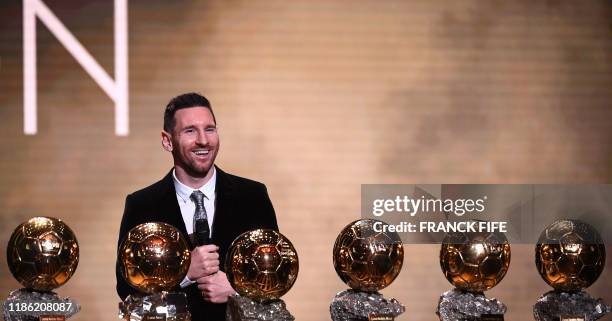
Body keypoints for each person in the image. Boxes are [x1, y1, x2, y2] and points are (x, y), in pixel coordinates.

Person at [116, 92, 278, 321]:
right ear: (167, 140)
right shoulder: (142, 205)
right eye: (190, 131)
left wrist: (235, 289)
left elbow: (275, 275)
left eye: (210, 129)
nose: (203, 140)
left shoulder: (252, 196)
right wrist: (183, 273)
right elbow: (126, 290)